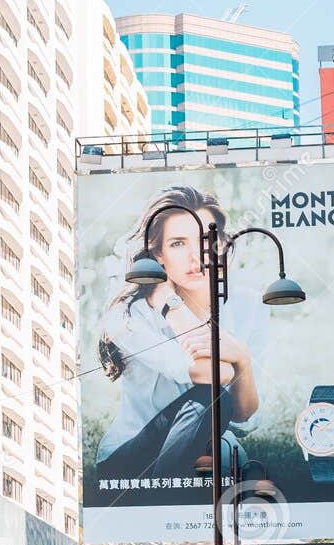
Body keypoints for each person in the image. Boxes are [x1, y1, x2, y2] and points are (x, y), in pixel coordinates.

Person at [97, 186, 267, 484]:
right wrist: (171, 306)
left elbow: (243, 412)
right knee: (211, 398)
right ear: (158, 255)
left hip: (198, 451)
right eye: (177, 243)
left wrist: (242, 357)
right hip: (128, 462)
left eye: (205, 240)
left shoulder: (248, 304)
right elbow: (213, 374)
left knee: (221, 413)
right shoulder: (128, 314)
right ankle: (161, 499)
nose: (195, 256)